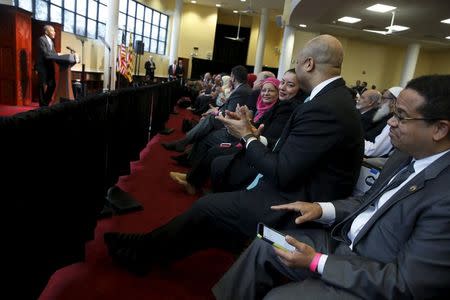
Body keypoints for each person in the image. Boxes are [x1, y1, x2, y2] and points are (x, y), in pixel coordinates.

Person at [104, 34, 363, 276]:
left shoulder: (325, 107)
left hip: (293, 207)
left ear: (308, 63)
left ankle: (142, 253)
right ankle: (145, 249)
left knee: (208, 207)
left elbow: (283, 172)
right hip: (289, 193)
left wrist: (247, 136)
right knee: (211, 213)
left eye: (296, 62)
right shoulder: (332, 100)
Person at [212, 74, 450, 300]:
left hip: (374, 274)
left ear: (439, 129)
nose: (391, 121)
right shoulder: (404, 155)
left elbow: (406, 285)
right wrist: (321, 208)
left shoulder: (444, 196)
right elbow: (369, 201)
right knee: (266, 244)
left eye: (402, 116)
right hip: (344, 244)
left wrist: (318, 262)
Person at [35, 25, 57, 107]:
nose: (54, 32)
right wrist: (56, 55)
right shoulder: (41, 39)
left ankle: (45, 103)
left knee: (52, 85)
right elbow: (45, 53)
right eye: (52, 31)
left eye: (54, 31)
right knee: (42, 86)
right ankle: (42, 105)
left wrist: (59, 56)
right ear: (46, 32)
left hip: (50, 67)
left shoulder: (51, 41)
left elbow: (54, 54)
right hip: (42, 67)